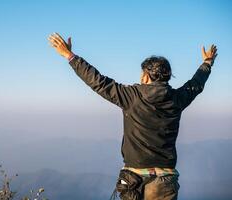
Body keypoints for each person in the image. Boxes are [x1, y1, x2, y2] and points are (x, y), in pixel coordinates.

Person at [48, 33, 217, 200]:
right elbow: (196, 84)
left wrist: (70, 56)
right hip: (165, 181)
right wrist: (208, 62)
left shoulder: (131, 96)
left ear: (145, 75)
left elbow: (98, 82)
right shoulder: (178, 98)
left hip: (133, 181)